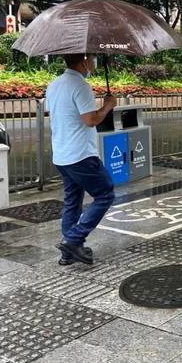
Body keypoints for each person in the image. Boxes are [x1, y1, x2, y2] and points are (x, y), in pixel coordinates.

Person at [46, 53, 116, 265]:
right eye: (92, 58)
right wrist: (108, 106)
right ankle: (74, 239)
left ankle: (68, 254)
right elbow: (90, 120)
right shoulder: (81, 86)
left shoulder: (54, 85)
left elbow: (57, 114)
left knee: (72, 202)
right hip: (81, 155)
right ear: (84, 60)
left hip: (62, 155)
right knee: (105, 194)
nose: (93, 62)